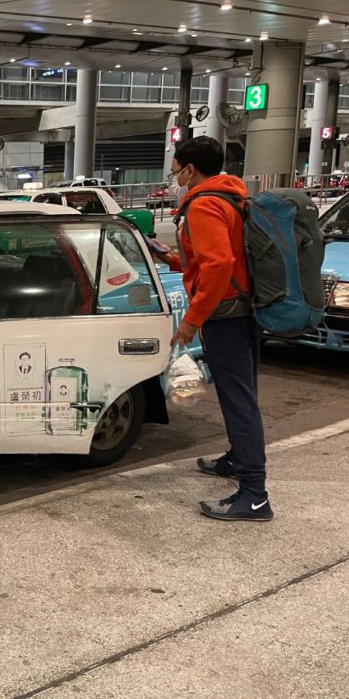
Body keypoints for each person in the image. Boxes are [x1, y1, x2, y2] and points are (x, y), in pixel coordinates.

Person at [148, 136, 271, 522]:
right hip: (244, 309)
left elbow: (218, 266)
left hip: (226, 315)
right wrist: (171, 257)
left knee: (239, 401)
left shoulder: (203, 204)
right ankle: (237, 459)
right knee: (242, 394)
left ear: (190, 168)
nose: (174, 177)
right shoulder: (230, 196)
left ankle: (254, 494)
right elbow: (217, 261)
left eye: (176, 169)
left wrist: (191, 321)